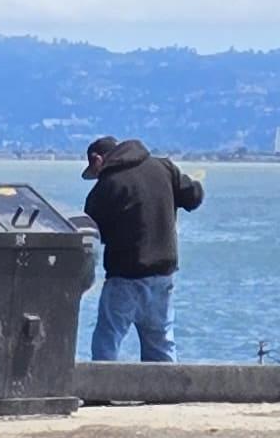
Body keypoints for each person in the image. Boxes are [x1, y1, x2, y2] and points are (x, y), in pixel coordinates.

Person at [82, 136, 204, 364]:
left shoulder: (106, 186)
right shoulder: (163, 167)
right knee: (161, 340)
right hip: (162, 274)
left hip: (124, 276)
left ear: (98, 160)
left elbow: (96, 233)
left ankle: (103, 391)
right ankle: (165, 391)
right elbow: (194, 197)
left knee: (108, 339)